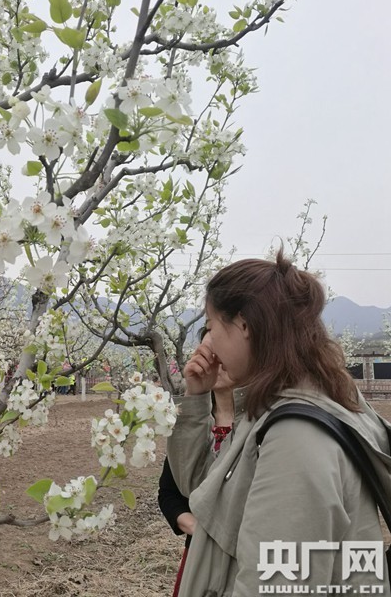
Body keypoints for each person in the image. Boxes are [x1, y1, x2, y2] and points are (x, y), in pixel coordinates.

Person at [167, 249, 391, 596]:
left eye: (211, 327)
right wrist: (196, 398)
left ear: (243, 324)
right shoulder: (272, 410)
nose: (207, 343)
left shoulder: (296, 438)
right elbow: (208, 493)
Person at [158, 356, 235, 597]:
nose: (218, 365)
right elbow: (168, 494)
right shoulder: (192, 426)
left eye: (225, 356)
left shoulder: (259, 427)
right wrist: (201, 530)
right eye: (212, 357)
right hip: (199, 553)